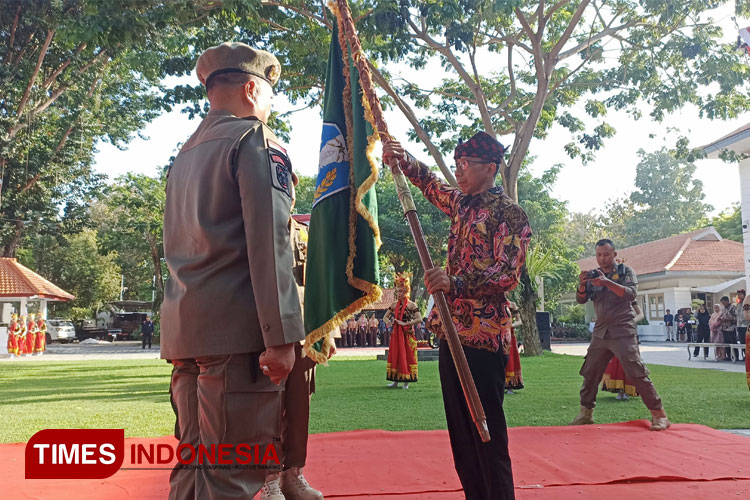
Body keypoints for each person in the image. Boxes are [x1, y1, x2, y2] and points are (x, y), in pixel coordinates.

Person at [160, 42, 305, 500]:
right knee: (234, 477)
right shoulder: (253, 142)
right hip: (239, 340)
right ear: (251, 88)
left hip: (188, 334)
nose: (270, 105)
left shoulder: (184, 155)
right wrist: (280, 337)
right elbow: (270, 244)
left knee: (193, 470)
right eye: (269, 94)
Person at [384, 131, 530, 500]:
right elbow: (430, 185)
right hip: (451, 334)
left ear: (490, 169)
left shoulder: (509, 214)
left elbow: (507, 274)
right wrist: (404, 160)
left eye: (466, 166)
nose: (459, 172)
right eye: (457, 165)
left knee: (488, 431)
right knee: (461, 436)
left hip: (483, 335)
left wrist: (456, 283)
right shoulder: (461, 203)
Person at [571, 239, 670, 431]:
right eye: (599, 255)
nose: (602, 258)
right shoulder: (594, 275)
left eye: (606, 254)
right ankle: (586, 413)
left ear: (615, 254)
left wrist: (607, 282)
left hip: (622, 330)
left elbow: (631, 294)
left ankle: (659, 414)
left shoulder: (625, 272)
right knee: (590, 372)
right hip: (601, 332)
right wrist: (582, 285)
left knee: (637, 372)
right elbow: (581, 300)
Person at [261, 214, 326, 500]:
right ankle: (269, 478)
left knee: (300, 406)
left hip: (303, 330)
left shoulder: (303, 233)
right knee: (268, 408)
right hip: (267, 332)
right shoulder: (258, 224)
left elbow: (316, 283)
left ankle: (293, 475)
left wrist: (327, 333)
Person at [383, 274, 422, 389]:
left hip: (407, 334)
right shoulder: (394, 304)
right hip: (396, 333)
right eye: (398, 291)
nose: (399, 293)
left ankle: (406, 382)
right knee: (396, 355)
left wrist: (406, 324)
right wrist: (389, 322)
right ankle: (395, 380)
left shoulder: (412, 305)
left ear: (406, 291)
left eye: (401, 291)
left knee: (407, 355)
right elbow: (385, 317)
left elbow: (419, 318)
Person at [601, 301, 644, 401]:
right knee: (618, 361)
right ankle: (620, 390)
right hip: (617, 334)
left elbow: (641, 314)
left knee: (630, 362)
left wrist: (631, 321)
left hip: (629, 334)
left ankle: (627, 391)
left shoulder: (631, 299)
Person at [505, 302, 524, 394]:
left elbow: (519, 321)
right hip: (497, 335)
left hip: (509, 335)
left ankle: (510, 385)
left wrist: (510, 325)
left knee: (510, 360)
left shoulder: (511, 305)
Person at [719, 296, 736, 360]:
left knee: (733, 342)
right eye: (722, 303)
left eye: (724, 302)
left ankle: (735, 356)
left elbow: (735, 317)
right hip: (724, 327)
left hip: (731, 327)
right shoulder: (723, 308)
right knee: (726, 342)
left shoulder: (732, 307)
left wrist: (727, 319)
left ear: (727, 301)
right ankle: (729, 356)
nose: (723, 304)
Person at [733, 290, 746, 361]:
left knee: (747, 341)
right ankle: (744, 355)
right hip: (739, 325)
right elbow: (736, 313)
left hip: (746, 325)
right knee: (742, 341)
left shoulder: (747, 303)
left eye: (741, 294)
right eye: (738, 294)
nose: (739, 296)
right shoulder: (738, 304)